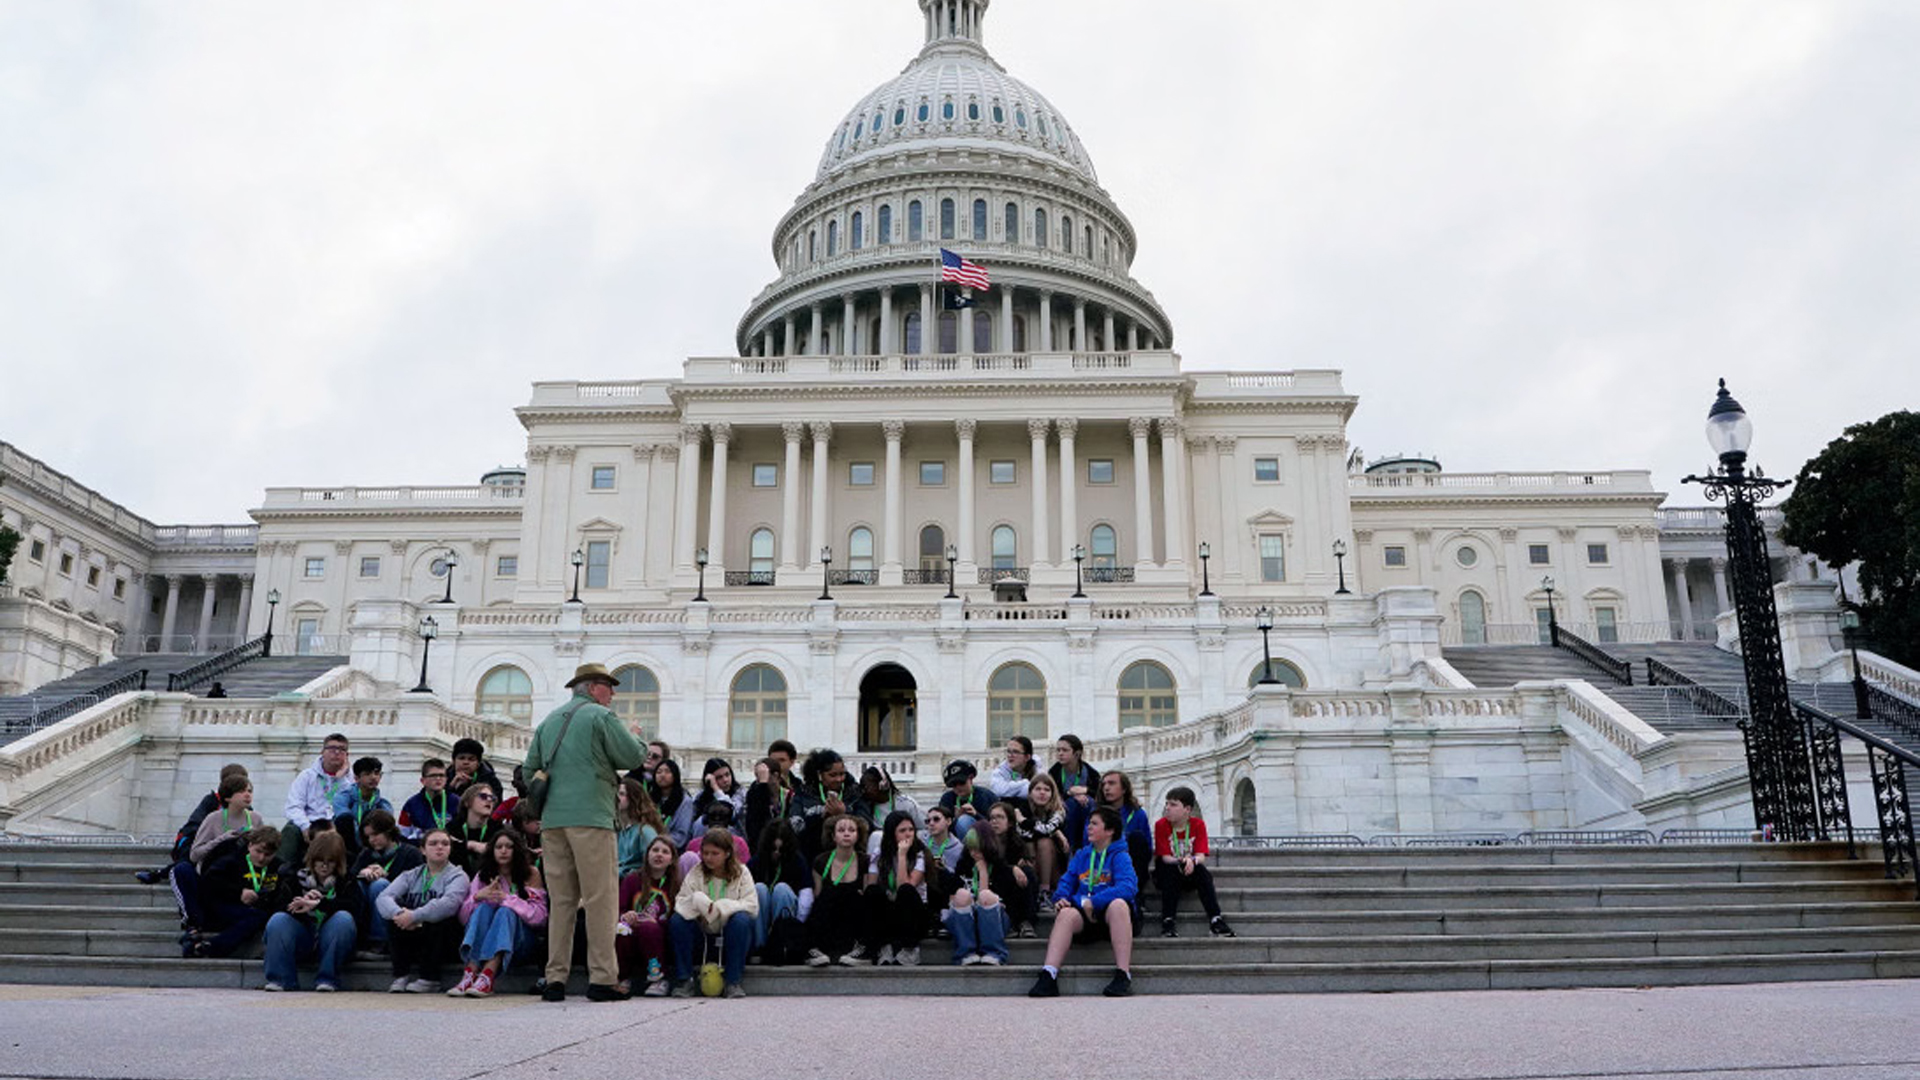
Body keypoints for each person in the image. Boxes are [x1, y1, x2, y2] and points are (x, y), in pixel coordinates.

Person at [524, 662, 646, 1003]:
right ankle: (603, 979)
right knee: (600, 899)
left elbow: (528, 769)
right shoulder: (599, 716)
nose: (613, 693)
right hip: (591, 817)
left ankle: (555, 979)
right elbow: (632, 755)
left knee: (561, 901)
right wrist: (636, 734)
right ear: (593, 688)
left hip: (553, 822)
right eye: (609, 686)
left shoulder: (549, 721)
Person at [1029, 806, 1138, 999]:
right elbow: (1066, 882)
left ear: (1110, 830)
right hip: (1085, 916)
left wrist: (1093, 901)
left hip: (1112, 917)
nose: (1088, 827)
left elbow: (1128, 887)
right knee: (1065, 914)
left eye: (1094, 824)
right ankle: (1049, 974)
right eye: (1089, 823)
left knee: (1119, 904)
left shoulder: (1120, 855)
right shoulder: (1082, 854)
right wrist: (1061, 898)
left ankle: (1123, 974)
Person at [261, 831, 364, 992]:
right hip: (303, 937)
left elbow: (354, 909)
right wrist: (300, 903)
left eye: (330, 862)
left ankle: (327, 979)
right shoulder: (292, 875)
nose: (324, 866)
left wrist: (319, 904)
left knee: (343, 919)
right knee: (278, 920)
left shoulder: (347, 880)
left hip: (332, 940)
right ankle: (281, 979)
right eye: (319, 861)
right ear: (311, 860)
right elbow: (277, 906)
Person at [452, 830, 548, 997]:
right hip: (486, 942)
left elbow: (540, 917)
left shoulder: (531, 873)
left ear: (516, 850)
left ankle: (489, 974)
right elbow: (463, 918)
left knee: (505, 911)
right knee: (482, 908)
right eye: (499, 847)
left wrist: (507, 899)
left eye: (509, 847)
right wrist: (477, 897)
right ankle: (471, 972)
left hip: (521, 943)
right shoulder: (484, 874)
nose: (503, 851)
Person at [173, 772, 261, 955]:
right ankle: (192, 923)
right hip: (210, 883)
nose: (248, 795)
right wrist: (222, 839)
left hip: (236, 887)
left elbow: (263, 855)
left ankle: (212, 947)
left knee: (257, 917)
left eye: (250, 791)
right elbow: (194, 855)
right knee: (181, 870)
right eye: (242, 791)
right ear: (228, 797)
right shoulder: (213, 818)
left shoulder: (255, 819)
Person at [375, 828, 470, 993]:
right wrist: (399, 914)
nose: (439, 847)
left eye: (445, 844)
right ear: (423, 850)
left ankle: (430, 978)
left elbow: (449, 904)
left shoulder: (458, 876)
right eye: (433, 844)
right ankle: (401, 975)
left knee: (439, 918)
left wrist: (414, 916)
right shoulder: (411, 875)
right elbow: (383, 897)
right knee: (394, 914)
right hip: (415, 932)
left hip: (445, 939)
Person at [668, 827, 759, 999]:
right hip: (702, 935)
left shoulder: (742, 872)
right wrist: (697, 901)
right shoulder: (696, 872)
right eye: (705, 853)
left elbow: (752, 905)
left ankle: (733, 982)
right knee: (678, 921)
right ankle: (684, 980)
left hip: (730, 937)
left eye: (714, 853)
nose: (708, 858)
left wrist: (721, 907)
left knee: (742, 920)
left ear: (727, 853)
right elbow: (681, 902)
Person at [136, 763, 246, 885]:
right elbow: (194, 826)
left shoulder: (246, 808)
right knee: (191, 856)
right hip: (200, 841)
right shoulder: (211, 801)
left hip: (227, 846)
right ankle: (159, 874)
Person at [1154, 787, 1234, 938]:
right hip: (1168, 869)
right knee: (1170, 871)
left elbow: (1201, 855)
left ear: (1187, 809)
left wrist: (1192, 860)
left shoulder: (1197, 825)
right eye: (1167, 804)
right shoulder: (1161, 825)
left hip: (1189, 870)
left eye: (1173, 804)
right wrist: (1182, 860)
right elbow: (1165, 857)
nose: (1167, 808)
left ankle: (1216, 919)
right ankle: (1168, 920)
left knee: (1203, 874)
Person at [194, 825, 284, 958]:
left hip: (257, 911)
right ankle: (213, 947)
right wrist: (238, 892)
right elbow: (209, 883)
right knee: (256, 917)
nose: (261, 858)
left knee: (265, 917)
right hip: (225, 907)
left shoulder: (278, 866)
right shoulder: (231, 860)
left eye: (267, 855)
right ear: (250, 845)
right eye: (258, 851)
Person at [349, 810, 422, 955]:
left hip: (400, 906)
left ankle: (380, 942)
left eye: (375, 834)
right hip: (369, 906)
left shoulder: (410, 853)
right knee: (358, 886)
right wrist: (362, 873)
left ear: (388, 831)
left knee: (380, 885)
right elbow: (348, 880)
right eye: (368, 836)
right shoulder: (366, 854)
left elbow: (415, 886)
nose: (371, 840)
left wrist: (388, 876)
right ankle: (358, 938)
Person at [947, 819, 1018, 966]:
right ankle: (965, 953)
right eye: (971, 849)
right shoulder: (963, 865)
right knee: (961, 894)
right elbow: (953, 896)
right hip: (966, 919)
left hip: (994, 921)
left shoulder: (1001, 869)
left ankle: (994, 953)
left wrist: (983, 872)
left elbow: (987, 900)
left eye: (978, 849)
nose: (974, 853)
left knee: (986, 896)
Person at [616, 836, 681, 996]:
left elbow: (676, 916)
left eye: (665, 852)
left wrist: (657, 922)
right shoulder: (632, 879)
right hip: (632, 928)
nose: (659, 855)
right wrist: (626, 915)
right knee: (620, 929)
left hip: (657, 934)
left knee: (649, 928)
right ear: (647, 855)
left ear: (672, 860)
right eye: (655, 850)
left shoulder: (675, 885)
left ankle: (658, 978)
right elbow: (619, 908)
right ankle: (622, 977)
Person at [864, 810, 929, 965]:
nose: (908, 834)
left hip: (913, 913)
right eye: (902, 831)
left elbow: (904, 886)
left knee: (906, 891)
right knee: (872, 892)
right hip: (889, 908)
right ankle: (883, 947)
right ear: (891, 833)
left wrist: (902, 856)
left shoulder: (919, 854)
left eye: (911, 830)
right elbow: (871, 884)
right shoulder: (879, 854)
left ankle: (910, 950)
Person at [280, 732, 351, 867]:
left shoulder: (350, 780)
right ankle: (280, 872)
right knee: (290, 830)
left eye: (342, 750)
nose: (337, 753)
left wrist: (340, 779)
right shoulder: (307, 776)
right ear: (322, 752)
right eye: (332, 748)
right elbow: (293, 806)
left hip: (336, 824)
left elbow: (349, 805)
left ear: (347, 755)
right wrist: (305, 826)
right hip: (310, 823)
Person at [805, 814, 868, 967]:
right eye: (841, 830)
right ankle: (815, 948)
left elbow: (867, 893)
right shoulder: (821, 861)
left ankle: (861, 948)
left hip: (853, 918)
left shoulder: (864, 861)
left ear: (858, 835)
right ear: (833, 836)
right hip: (829, 918)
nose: (846, 833)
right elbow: (817, 896)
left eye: (852, 830)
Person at [749, 818, 809, 961]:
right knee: (759, 889)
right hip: (761, 915)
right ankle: (759, 946)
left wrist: (799, 921)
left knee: (781, 889)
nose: (776, 853)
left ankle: (782, 942)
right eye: (773, 849)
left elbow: (807, 892)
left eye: (780, 850)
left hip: (786, 911)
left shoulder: (798, 860)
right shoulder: (757, 861)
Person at [1083, 770, 1153, 887]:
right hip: (1103, 862)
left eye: (1111, 783)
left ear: (1124, 789)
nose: (1106, 788)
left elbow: (1147, 848)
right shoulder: (1095, 814)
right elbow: (1087, 841)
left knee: (1137, 838)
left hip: (1129, 863)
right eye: (1104, 784)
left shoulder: (1137, 814)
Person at [797, 749, 868, 863]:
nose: (839, 779)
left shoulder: (854, 792)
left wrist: (844, 814)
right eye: (833, 775)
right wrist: (821, 816)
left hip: (851, 853)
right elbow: (795, 825)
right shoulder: (804, 793)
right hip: (812, 853)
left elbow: (866, 822)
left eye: (842, 774)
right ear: (820, 775)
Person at [984, 801, 1038, 937]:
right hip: (990, 886)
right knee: (1014, 874)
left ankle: (1026, 922)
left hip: (1013, 889)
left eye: (1000, 817)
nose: (994, 821)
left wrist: (1019, 867)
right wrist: (1012, 868)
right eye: (991, 818)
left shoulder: (1016, 842)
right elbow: (991, 869)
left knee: (1027, 873)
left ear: (1009, 822)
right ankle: (1013, 923)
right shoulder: (983, 842)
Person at [1022, 773, 1073, 895]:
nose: (1042, 793)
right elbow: (1022, 834)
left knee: (1044, 842)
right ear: (1030, 792)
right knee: (1029, 845)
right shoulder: (1023, 808)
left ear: (1052, 793)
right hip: (1031, 858)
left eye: (1047, 790)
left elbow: (1046, 830)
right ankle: (1034, 891)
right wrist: (1054, 832)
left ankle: (1045, 890)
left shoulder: (1059, 811)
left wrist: (1026, 823)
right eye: (1038, 789)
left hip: (1056, 864)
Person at [743, 739, 802, 844]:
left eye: (781, 760)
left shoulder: (798, 787)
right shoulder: (755, 790)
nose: (777, 764)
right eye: (773, 760)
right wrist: (762, 786)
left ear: (792, 762)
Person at [331, 756, 391, 853]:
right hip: (347, 846)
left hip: (372, 846)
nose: (373, 777)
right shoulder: (342, 798)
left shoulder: (383, 804)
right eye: (367, 774)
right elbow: (344, 823)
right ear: (356, 778)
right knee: (345, 820)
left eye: (376, 773)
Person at [1049, 734, 1101, 847]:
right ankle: (1072, 848)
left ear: (1077, 753)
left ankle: (1088, 846)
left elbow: (1100, 792)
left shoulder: (1091, 773)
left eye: (1065, 750)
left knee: (1088, 803)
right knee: (1073, 804)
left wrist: (1085, 790)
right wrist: (1070, 794)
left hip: (1087, 810)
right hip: (1063, 814)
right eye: (1058, 750)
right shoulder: (1053, 772)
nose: (1060, 753)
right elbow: (1051, 796)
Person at [921, 804, 965, 926]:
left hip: (945, 888)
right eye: (927, 820)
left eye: (936, 819)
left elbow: (958, 877)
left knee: (943, 875)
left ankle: (942, 918)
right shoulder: (921, 842)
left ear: (948, 821)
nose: (931, 823)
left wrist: (945, 867)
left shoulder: (958, 848)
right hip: (923, 882)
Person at [679, 802, 750, 878]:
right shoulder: (693, 844)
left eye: (722, 818)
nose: (717, 821)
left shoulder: (739, 843)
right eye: (713, 817)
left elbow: (744, 871)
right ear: (706, 820)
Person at [616, 776, 666, 875]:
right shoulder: (620, 830)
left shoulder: (645, 831)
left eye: (622, 794)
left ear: (633, 798)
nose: (617, 798)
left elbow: (651, 863)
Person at [448, 786, 502, 875]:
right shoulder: (454, 827)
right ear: (467, 802)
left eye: (492, 798)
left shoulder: (499, 829)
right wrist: (471, 845)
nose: (489, 800)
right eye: (483, 796)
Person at [937, 759, 997, 837]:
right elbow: (941, 828)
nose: (958, 788)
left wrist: (975, 814)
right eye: (954, 785)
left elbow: (995, 825)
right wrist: (956, 819)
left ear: (971, 779)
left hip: (985, 839)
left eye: (962, 783)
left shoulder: (985, 796)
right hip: (956, 842)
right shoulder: (947, 799)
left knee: (964, 821)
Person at [859, 766, 924, 837]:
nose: (864, 791)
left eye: (868, 786)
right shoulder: (866, 807)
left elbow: (923, 829)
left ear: (883, 785)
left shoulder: (906, 804)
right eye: (863, 787)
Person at [398, 759, 454, 841]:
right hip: (420, 851)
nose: (438, 778)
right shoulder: (411, 804)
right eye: (433, 775)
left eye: (442, 775)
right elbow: (402, 834)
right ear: (423, 781)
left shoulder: (456, 802)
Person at [690, 757, 747, 833]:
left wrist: (716, 789)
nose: (725, 780)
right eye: (719, 777)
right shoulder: (700, 797)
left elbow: (733, 813)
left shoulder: (741, 793)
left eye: (727, 775)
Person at [652, 759, 695, 849]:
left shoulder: (685, 801)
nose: (662, 775)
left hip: (673, 849)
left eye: (667, 772)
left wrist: (657, 841)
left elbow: (682, 835)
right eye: (659, 772)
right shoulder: (650, 799)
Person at [447, 738, 504, 803]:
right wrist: (451, 787)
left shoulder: (491, 782)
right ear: (453, 761)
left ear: (478, 763)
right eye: (461, 758)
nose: (466, 762)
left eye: (471, 759)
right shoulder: (444, 777)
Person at [985, 735, 1038, 802]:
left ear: (1027, 757)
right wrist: (1025, 783)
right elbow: (1000, 791)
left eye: (1015, 752)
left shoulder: (1038, 770)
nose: (1010, 755)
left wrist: (1011, 790)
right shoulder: (999, 772)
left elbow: (1037, 794)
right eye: (1008, 751)